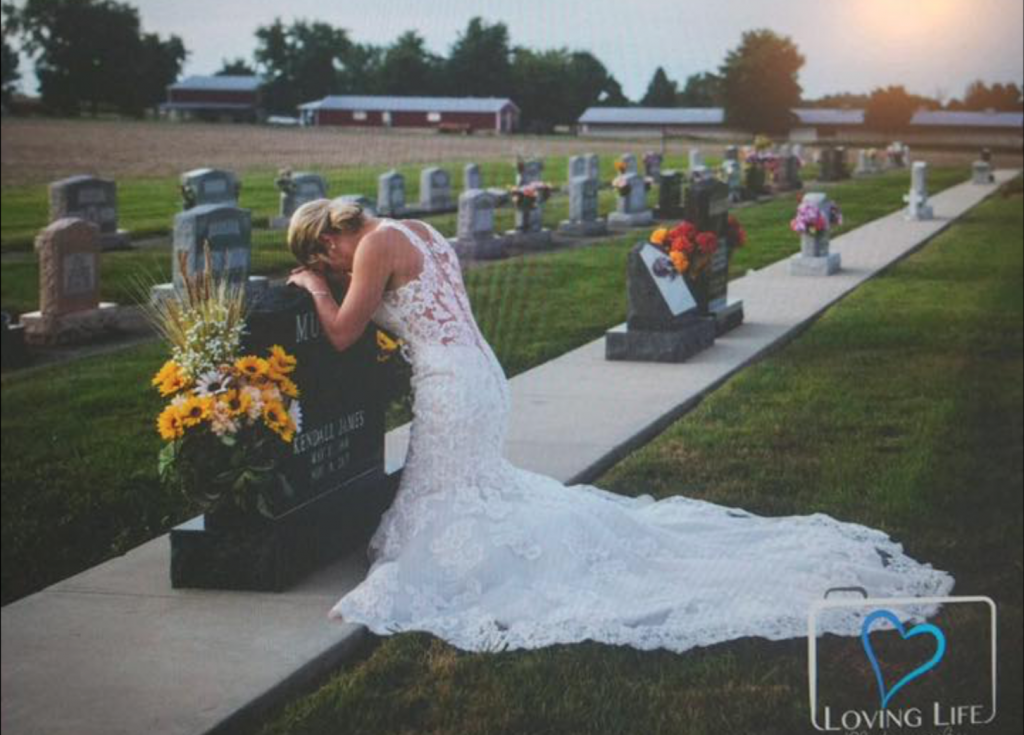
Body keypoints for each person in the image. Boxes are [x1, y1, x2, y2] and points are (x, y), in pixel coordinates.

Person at [286, 198, 954, 654]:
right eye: (326, 271)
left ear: (328, 236)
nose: (335, 270)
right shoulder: (414, 230)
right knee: (468, 489)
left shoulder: (372, 245)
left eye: (326, 260)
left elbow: (343, 331)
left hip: (452, 386)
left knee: (452, 498)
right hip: (479, 373)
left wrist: (312, 292)